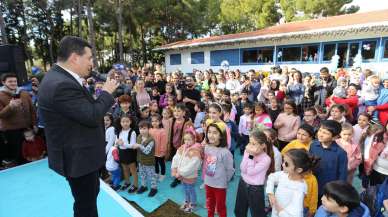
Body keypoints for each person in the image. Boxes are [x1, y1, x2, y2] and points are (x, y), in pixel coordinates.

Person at [38, 36, 118, 217]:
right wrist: (106, 93)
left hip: (78, 156)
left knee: (85, 201)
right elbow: (91, 115)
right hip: (78, 160)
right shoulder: (61, 85)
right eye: (89, 58)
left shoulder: (58, 77)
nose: (92, 63)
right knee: (86, 206)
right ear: (75, 57)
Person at [266, 148, 319, 217]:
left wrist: (278, 209)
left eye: (286, 164)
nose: (283, 165)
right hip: (275, 213)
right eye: (283, 161)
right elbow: (271, 177)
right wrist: (270, 194)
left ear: (298, 170)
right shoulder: (284, 174)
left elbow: (296, 213)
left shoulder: (299, 188)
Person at [234, 129, 272, 217]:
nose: (250, 146)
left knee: (257, 213)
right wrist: (249, 154)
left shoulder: (266, 159)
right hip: (243, 183)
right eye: (250, 142)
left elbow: (250, 172)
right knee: (239, 211)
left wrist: (251, 155)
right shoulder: (247, 152)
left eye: (254, 144)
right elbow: (243, 169)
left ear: (263, 146)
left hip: (255, 189)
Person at [0, 73, 36, 165]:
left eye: (15, 81)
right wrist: (10, 107)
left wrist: (34, 124)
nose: (13, 83)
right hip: (11, 131)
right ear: (3, 82)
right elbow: (1, 115)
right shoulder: (0, 95)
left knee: (30, 153)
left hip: (27, 128)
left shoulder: (24, 93)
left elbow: (32, 110)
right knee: (18, 157)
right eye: (10, 81)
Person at [309, 120, 348, 199]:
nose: (321, 134)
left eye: (325, 133)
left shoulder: (340, 153)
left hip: (328, 188)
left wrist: (337, 191)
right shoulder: (313, 145)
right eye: (320, 131)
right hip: (313, 184)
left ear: (335, 137)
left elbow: (342, 175)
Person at [204, 123, 235, 217]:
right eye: (209, 132)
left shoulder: (225, 153)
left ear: (221, 136)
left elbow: (230, 170)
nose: (211, 135)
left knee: (220, 207)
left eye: (215, 133)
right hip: (208, 182)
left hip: (220, 186)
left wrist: (224, 181)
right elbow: (207, 164)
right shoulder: (207, 147)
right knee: (210, 205)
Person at [171, 127, 202, 213]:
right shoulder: (182, 148)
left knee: (190, 189)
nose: (187, 142)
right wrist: (174, 169)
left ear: (194, 139)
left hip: (190, 176)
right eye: (185, 140)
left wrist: (180, 173)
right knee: (184, 188)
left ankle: (193, 203)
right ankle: (187, 201)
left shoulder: (196, 151)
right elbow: (176, 158)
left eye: (189, 140)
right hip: (181, 175)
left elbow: (192, 165)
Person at [133, 120, 158, 197]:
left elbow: (147, 151)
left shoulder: (151, 140)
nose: (142, 131)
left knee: (151, 175)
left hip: (149, 162)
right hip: (140, 160)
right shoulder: (139, 137)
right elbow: (136, 146)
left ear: (148, 129)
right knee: (142, 174)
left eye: (144, 128)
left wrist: (139, 146)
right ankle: (144, 186)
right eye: (140, 129)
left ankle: (154, 188)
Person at [149, 114, 168, 181]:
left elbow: (164, 142)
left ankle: (162, 174)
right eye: (153, 121)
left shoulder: (162, 131)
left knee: (161, 163)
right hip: (153, 151)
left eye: (156, 121)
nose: (154, 123)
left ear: (160, 121)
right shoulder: (150, 130)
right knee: (155, 163)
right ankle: (156, 173)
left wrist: (162, 151)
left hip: (160, 151)